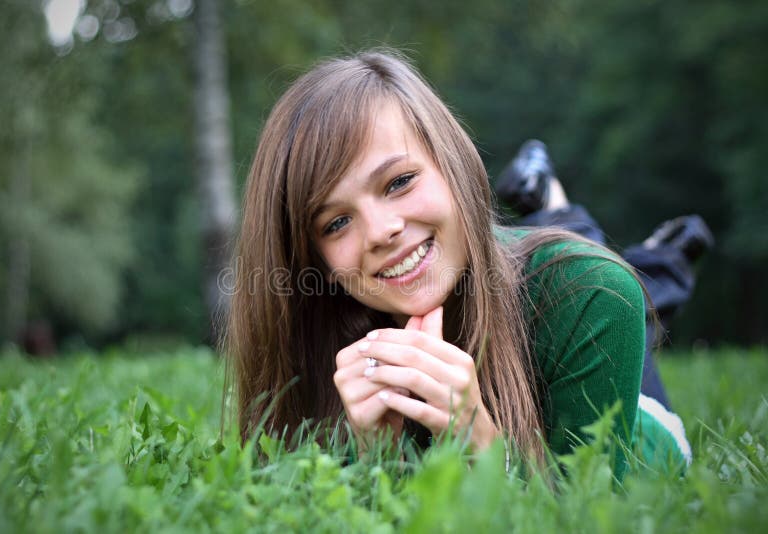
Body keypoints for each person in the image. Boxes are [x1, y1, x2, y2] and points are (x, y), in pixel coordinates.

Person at [224, 50, 690, 479]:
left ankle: (653, 253)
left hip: (625, 397)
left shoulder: (591, 293)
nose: (381, 230)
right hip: (488, 256)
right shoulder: (319, 340)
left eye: (399, 182)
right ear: (314, 259)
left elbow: (589, 514)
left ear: (454, 164)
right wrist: (375, 461)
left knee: (614, 278)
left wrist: (486, 454)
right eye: (337, 222)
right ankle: (548, 201)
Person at [495, 140, 714, 410]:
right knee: (606, 294)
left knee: (598, 292)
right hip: (643, 418)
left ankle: (658, 267)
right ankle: (657, 267)